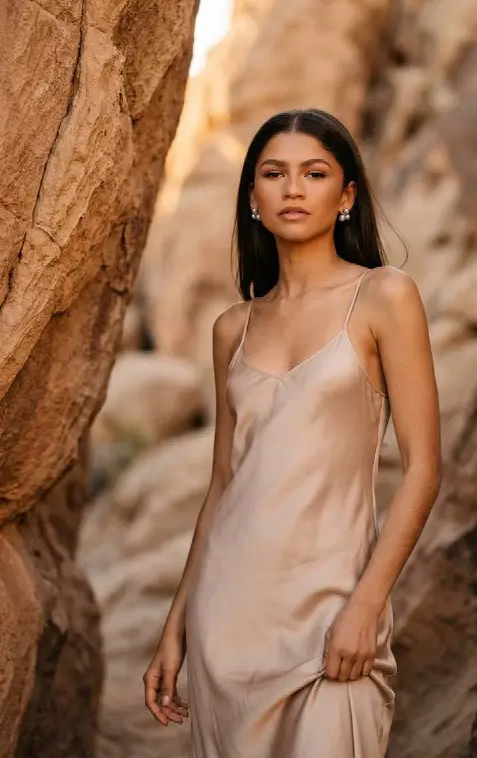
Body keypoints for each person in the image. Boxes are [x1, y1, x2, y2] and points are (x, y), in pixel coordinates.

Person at [143, 108, 442, 757]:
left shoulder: (385, 297)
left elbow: (423, 468)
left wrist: (367, 604)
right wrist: (176, 626)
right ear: (253, 197)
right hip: (227, 621)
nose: (293, 188)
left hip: (332, 615)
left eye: (315, 173)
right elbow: (223, 485)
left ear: (347, 195)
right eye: (274, 174)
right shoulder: (232, 328)